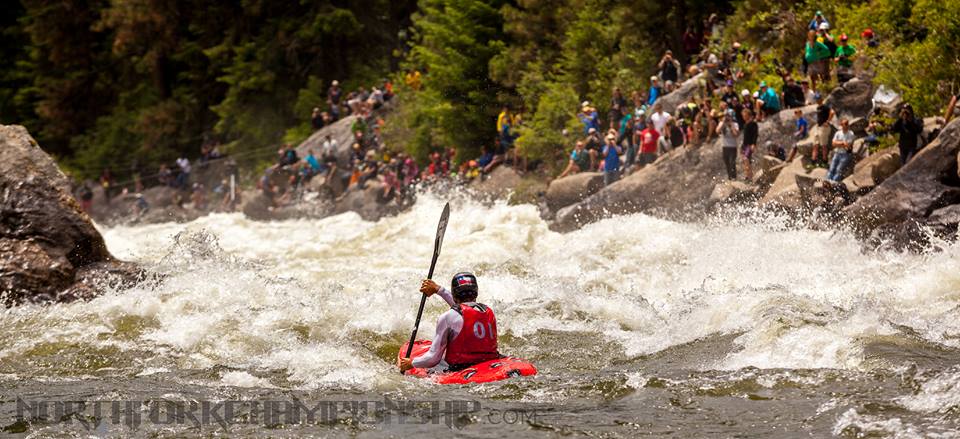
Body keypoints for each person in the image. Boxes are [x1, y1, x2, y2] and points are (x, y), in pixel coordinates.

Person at [398, 273, 501, 373]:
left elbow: (433, 358)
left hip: (459, 368)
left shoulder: (447, 317)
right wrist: (438, 289)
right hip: (489, 363)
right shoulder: (488, 311)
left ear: (454, 294)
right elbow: (463, 311)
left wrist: (412, 363)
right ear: (476, 292)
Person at [811, 93, 834, 166]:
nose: (818, 100)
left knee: (824, 145)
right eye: (816, 99)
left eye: (819, 99)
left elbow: (832, 112)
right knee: (815, 145)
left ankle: (825, 161)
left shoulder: (825, 107)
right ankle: (813, 161)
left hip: (824, 128)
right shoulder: (818, 108)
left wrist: (827, 121)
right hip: (818, 127)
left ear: (821, 99)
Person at [717, 109, 740, 180]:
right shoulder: (722, 123)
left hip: (732, 147)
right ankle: (730, 177)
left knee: (732, 163)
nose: (727, 117)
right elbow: (717, 131)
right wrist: (723, 122)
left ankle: (734, 177)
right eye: (726, 116)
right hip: (725, 147)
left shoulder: (735, 124)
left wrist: (731, 124)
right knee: (727, 163)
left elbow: (736, 134)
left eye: (728, 116)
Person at [741, 109, 758, 180]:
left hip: (750, 145)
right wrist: (742, 146)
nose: (744, 117)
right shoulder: (745, 124)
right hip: (745, 145)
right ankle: (747, 176)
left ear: (748, 115)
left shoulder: (753, 124)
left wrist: (753, 144)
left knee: (746, 159)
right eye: (743, 116)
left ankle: (749, 176)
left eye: (745, 115)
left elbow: (755, 134)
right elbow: (745, 137)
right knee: (745, 161)